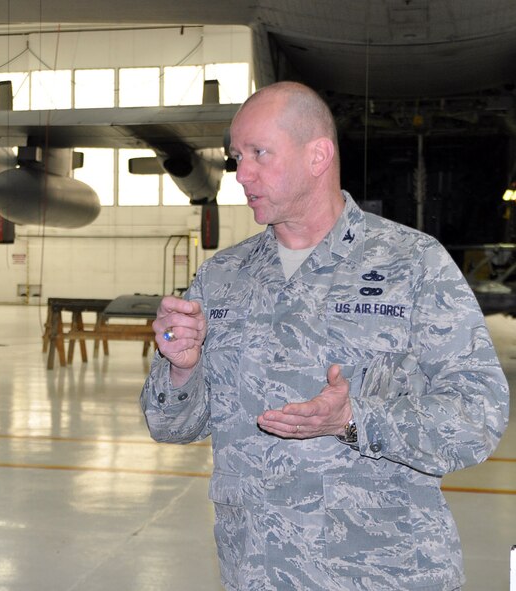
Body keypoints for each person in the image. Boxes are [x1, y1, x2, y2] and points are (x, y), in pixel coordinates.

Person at [141, 81, 509, 590]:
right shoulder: (221, 278)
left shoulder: (411, 264)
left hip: (385, 572)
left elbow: (479, 414)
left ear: (318, 156)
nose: (241, 174)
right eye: (236, 157)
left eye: (259, 154)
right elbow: (170, 427)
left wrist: (355, 418)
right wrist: (182, 368)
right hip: (258, 572)